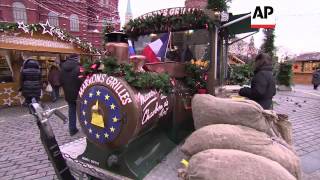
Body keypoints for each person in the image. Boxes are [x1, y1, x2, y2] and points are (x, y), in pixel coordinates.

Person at [60, 54, 82, 136]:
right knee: (81, 111)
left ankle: (72, 129)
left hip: (68, 93)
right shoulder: (79, 67)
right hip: (79, 93)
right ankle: (84, 127)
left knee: (71, 110)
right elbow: (82, 80)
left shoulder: (62, 67)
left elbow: (60, 80)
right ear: (76, 58)